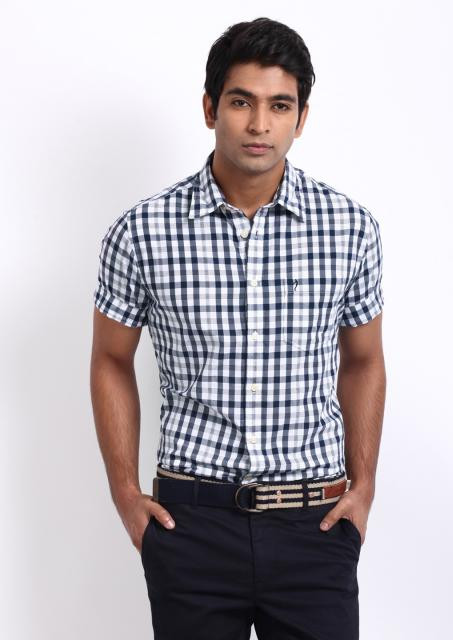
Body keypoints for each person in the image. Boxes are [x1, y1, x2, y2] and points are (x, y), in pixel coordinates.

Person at [90, 16, 386, 640]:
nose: (259, 125)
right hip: (191, 525)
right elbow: (110, 359)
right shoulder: (141, 232)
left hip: (315, 524)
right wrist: (125, 493)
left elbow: (363, 360)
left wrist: (364, 488)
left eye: (280, 106)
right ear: (210, 108)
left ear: (301, 118)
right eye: (241, 102)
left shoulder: (350, 229)